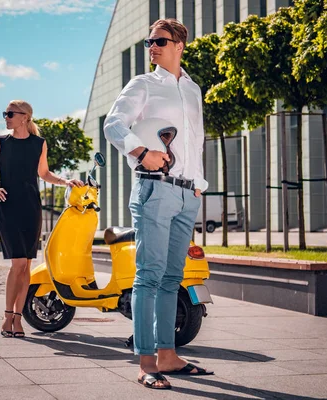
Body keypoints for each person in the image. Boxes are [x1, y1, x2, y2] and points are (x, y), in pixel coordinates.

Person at [104, 18, 213, 390]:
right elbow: (113, 123)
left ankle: (168, 354)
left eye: (160, 41)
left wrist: (198, 184)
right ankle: (146, 363)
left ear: (179, 44)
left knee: (172, 278)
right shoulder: (143, 84)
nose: (152, 46)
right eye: (149, 41)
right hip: (154, 189)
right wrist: (141, 151)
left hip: (187, 194)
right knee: (148, 276)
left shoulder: (193, 88)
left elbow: (195, 141)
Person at [0, 100, 84, 339]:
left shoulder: (39, 144)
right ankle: (7, 316)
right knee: (18, 265)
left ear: (25, 117)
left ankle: (19, 318)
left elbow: (44, 173)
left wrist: (66, 181)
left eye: (10, 113)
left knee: (28, 266)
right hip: (8, 208)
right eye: (5, 113)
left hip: (32, 209)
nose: (6, 117)